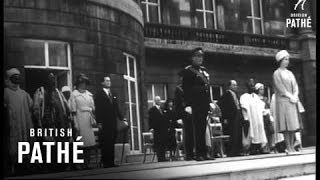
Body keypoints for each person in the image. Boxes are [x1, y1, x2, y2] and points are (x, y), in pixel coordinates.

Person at [180, 47, 214, 161]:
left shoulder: (203, 71)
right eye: (198, 56)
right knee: (195, 130)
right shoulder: (188, 71)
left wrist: (209, 102)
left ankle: (204, 153)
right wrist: (188, 104)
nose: (200, 58)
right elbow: (186, 89)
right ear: (192, 58)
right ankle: (197, 154)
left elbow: (206, 89)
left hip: (203, 104)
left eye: (201, 56)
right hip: (194, 104)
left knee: (203, 129)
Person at [33, 72, 70, 172]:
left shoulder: (58, 92)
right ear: (46, 80)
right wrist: (39, 123)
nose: (52, 80)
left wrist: (67, 119)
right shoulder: (40, 91)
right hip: (47, 124)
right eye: (50, 78)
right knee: (48, 145)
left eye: (53, 78)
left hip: (59, 124)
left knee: (59, 145)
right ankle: (49, 167)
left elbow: (66, 107)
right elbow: (36, 109)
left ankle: (60, 166)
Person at [4, 68, 34, 175]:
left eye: (18, 77)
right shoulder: (6, 92)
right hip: (12, 124)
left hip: (24, 122)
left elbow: (31, 105)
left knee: (25, 143)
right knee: (12, 145)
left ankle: (24, 167)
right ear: (9, 78)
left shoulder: (24, 93)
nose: (17, 79)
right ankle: (12, 167)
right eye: (14, 77)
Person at [273, 50, 303, 154]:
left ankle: (292, 146)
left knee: (292, 125)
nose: (287, 61)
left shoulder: (290, 73)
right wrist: (289, 95)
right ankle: (288, 146)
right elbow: (280, 88)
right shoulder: (277, 73)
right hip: (283, 101)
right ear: (280, 60)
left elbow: (295, 86)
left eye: (288, 59)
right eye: (285, 59)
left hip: (291, 101)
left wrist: (295, 95)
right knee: (286, 125)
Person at [94, 76, 126, 168]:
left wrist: (122, 118)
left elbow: (116, 107)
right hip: (104, 121)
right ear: (102, 83)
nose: (109, 82)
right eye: (106, 81)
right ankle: (106, 162)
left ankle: (111, 162)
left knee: (112, 141)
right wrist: (99, 122)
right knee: (105, 142)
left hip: (113, 121)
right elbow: (98, 109)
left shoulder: (113, 93)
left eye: (109, 80)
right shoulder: (99, 94)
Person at [70, 73, 96, 169]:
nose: (83, 84)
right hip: (79, 119)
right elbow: (73, 110)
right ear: (78, 83)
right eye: (81, 82)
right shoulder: (74, 94)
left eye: (84, 82)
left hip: (88, 119)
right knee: (80, 144)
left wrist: (91, 113)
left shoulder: (89, 95)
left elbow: (93, 108)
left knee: (88, 144)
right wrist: (75, 123)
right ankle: (80, 164)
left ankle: (87, 163)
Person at [240, 79, 268, 155]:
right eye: (250, 86)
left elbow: (261, 106)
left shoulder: (256, 96)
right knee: (251, 133)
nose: (252, 88)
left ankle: (259, 148)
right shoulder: (244, 96)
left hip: (258, 118)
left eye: (253, 86)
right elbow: (244, 108)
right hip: (251, 118)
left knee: (259, 132)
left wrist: (264, 113)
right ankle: (251, 149)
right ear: (247, 87)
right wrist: (246, 118)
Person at [217, 80, 243, 157]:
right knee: (233, 134)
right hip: (231, 117)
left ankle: (238, 151)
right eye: (234, 85)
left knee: (238, 133)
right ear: (229, 86)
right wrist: (225, 117)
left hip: (237, 115)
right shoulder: (226, 94)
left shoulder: (236, 94)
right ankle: (231, 152)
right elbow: (221, 105)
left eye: (236, 85)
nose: (236, 86)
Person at [174, 73, 194, 160]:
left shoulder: (191, 88)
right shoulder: (179, 89)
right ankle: (188, 154)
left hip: (193, 113)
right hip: (185, 113)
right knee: (188, 134)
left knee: (193, 134)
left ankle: (194, 152)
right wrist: (179, 116)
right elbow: (178, 103)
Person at [148, 96, 169, 162]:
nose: (159, 101)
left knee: (163, 143)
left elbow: (166, 118)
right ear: (155, 101)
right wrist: (151, 128)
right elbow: (150, 120)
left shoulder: (163, 109)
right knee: (158, 144)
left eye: (159, 100)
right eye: (157, 100)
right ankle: (160, 158)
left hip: (163, 129)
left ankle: (164, 157)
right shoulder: (152, 110)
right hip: (157, 129)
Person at [255, 83, 274, 153]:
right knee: (263, 132)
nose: (262, 91)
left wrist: (270, 116)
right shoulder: (256, 98)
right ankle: (263, 147)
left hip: (267, 116)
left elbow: (268, 107)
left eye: (263, 89)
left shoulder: (265, 98)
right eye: (261, 89)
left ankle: (270, 146)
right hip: (260, 116)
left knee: (269, 131)